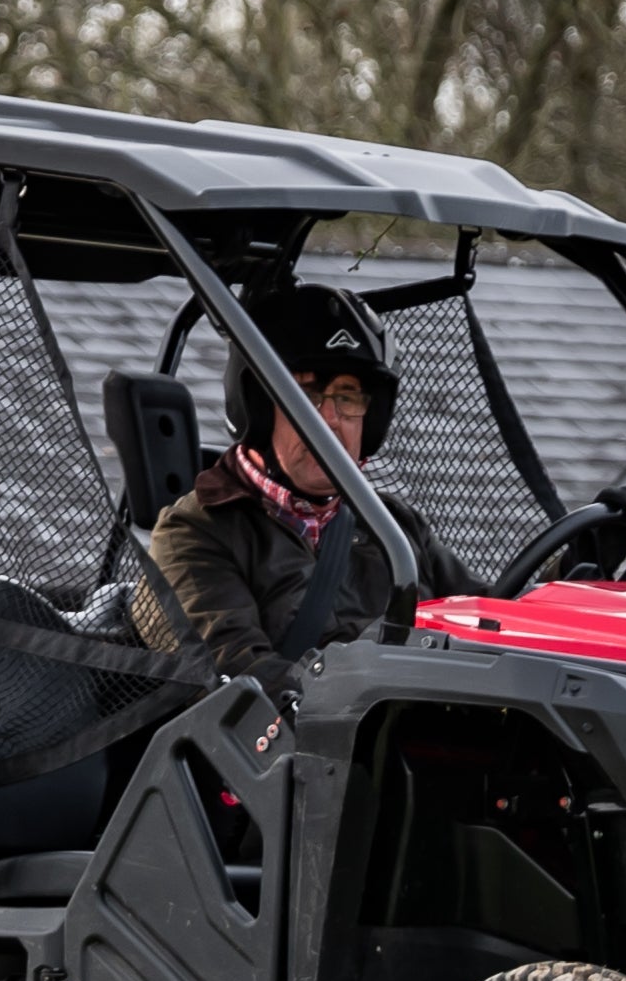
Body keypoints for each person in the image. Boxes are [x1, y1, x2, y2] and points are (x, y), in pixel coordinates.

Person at [137, 286, 471, 690]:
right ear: (258, 409)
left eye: (347, 397)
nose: (330, 419)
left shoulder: (397, 528)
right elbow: (237, 679)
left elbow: (490, 615)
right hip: (297, 731)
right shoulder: (194, 534)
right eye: (306, 396)